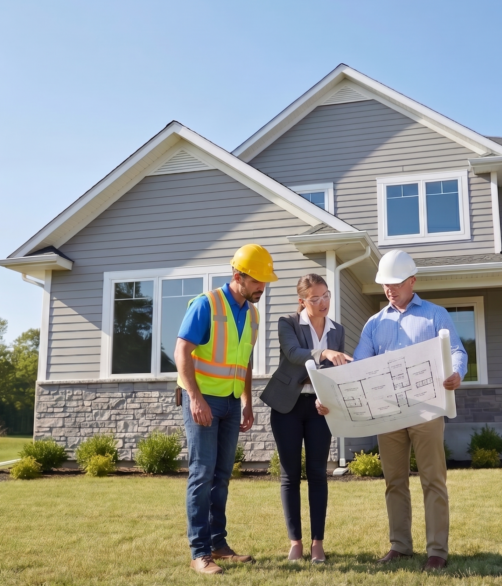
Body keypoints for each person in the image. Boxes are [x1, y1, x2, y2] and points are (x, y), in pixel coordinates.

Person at [321, 249, 467, 572]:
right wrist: (331, 391)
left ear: (412, 281)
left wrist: (456, 373)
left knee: (433, 479)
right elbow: (359, 367)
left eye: (396, 283)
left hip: (428, 410)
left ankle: (437, 551)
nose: (389, 289)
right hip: (388, 413)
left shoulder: (435, 315)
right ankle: (400, 546)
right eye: (385, 284)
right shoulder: (374, 324)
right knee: (394, 481)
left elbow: (457, 351)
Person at [174, 244, 278, 575]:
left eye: (265, 281)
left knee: (221, 475)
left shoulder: (253, 313)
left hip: (232, 403)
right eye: (258, 280)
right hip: (203, 401)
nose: (263, 286)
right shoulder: (206, 304)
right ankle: (199, 552)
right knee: (202, 474)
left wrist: (246, 400)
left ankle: (218, 544)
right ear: (238, 276)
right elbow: (182, 351)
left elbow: (243, 361)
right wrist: (195, 398)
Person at [260, 274, 352, 564]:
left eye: (325, 295)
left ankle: (317, 544)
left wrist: (331, 400)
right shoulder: (287, 322)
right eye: (315, 298)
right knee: (290, 475)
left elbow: (335, 373)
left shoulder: (337, 329)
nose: (323, 302)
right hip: (287, 405)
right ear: (302, 301)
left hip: (318, 408)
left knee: (317, 474)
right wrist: (323, 351)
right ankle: (295, 543)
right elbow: (293, 353)